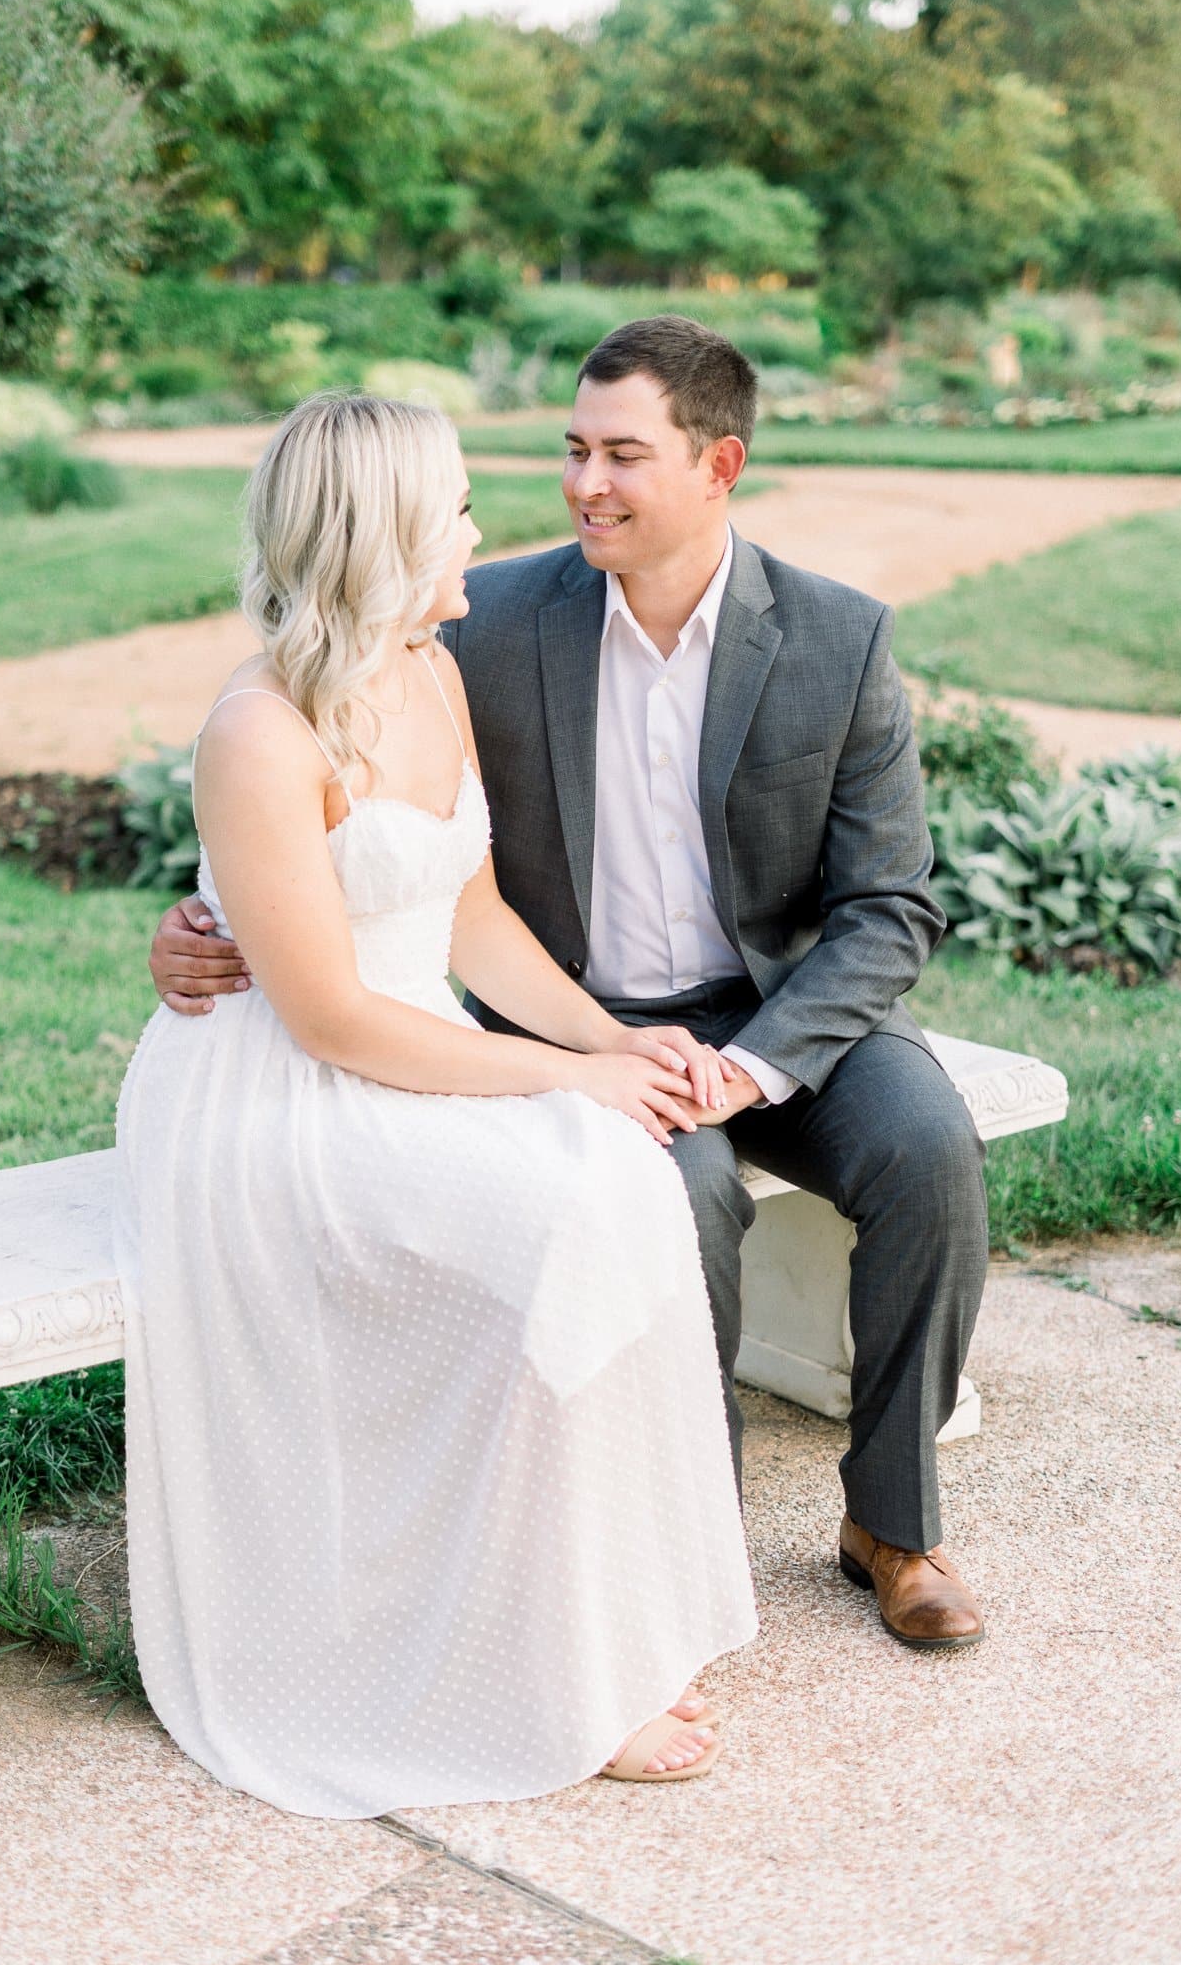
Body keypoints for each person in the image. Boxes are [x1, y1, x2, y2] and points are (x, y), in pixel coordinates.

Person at [153, 317, 991, 1652]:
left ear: (717, 465)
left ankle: (892, 1523)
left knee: (929, 1147)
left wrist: (750, 1062)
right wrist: (193, 922)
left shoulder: (835, 640)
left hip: (775, 1015)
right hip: (567, 1014)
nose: (581, 484)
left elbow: (891, 908)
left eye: (621, 455)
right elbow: (319, 811)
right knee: (683, 1191)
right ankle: (687, 1536)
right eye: (570, 450)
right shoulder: (475, 629)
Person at [113, 388, 761, 1821]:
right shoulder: (259, 732)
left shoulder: (430, 672)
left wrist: (620, 1043)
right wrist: (568, 1079)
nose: (482, 527)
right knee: (567, 1198)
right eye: (457, 506)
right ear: (390, 535)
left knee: (609, 1182)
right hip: (280, 1097)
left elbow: (470, 924)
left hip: (424, 1054)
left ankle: (587, 1624)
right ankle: (536, 1670)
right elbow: (334, 1017)